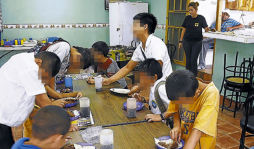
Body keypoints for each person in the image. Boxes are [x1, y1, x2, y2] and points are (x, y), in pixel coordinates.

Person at [0, 51, 62, 149]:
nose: (44, 82)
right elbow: (43, 101)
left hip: (4, 122)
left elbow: (38, 98)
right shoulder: (30, 68)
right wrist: (64, 125)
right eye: (45, 76)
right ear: (39, 63)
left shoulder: (24, 60)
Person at [103, 12, 172, 95]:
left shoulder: (156, 44)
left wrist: (140, 86)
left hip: (164, 87)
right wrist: (109, 80)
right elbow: (128, 68)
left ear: (145, 26)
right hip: (154, 87)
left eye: (135, 26)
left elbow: (157, 68)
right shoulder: (140, 48)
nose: (132, 29)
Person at [152, 70, 219, 149]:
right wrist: (177, 125)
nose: (180, 106)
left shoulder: (211, 95)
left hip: (200, 145)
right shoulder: (182, 89)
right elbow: (175, 109)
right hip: (185, 142)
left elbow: (198, 130)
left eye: (182, 104)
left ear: (196, 94)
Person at [132, 59, 173, 127]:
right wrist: (143, 100)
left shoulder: (161, 89)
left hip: (165, 127)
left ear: (154, 77)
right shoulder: (154, 86)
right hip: (156, 123)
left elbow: (177, 106)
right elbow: (157, 102)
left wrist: (161, 116)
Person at [179, 2, 209, 76]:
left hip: (197, 42)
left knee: (193, 60)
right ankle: (187, 76)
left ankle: (194, 77)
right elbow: (183, 30)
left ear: (196, 10)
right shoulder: (187, 18)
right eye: (189, 10)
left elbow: (206, 28)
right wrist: (180, 41)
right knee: (188, 60)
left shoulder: (201, 18)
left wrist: (209, 29)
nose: (190, 12)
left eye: (192, 10)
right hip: (187, 42)